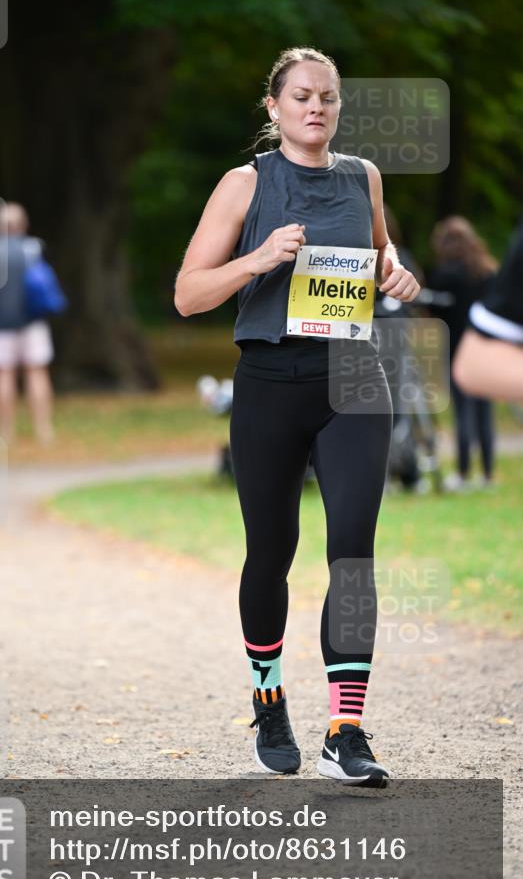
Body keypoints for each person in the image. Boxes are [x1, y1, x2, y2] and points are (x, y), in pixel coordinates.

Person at [175, 47, 420, 787]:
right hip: (270, 379)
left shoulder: (362, 177)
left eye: (329, 98)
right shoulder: (244, 184)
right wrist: (258, 261)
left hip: (351, 376)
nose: (316, 107)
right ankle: (269, 699)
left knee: (350, 553)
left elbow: (380, 251)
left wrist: (395, 270)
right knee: (270, 552)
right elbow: (188, 295)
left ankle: (344, 730)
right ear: (274, 107)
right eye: (302, 96)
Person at [0, 203, 56, 443]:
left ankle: (5, 432)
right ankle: (44, 430)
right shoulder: (33, 248)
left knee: (3, 375)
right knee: (37, 372)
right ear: (23, 225)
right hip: (33, 321)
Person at [427, 217, 498, 491]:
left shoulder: (445, 275)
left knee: (463, 412)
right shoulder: (488, 272)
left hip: (457, 350)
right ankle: (488, 473)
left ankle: (464, 470)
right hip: (487, 348)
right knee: (484, 412)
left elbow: (435, 314)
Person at [453, 219, 523, 402]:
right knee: (480, 407)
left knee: (466, 403)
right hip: (485, 336)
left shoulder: (447, 272)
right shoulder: (487, 269)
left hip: (462, 333)